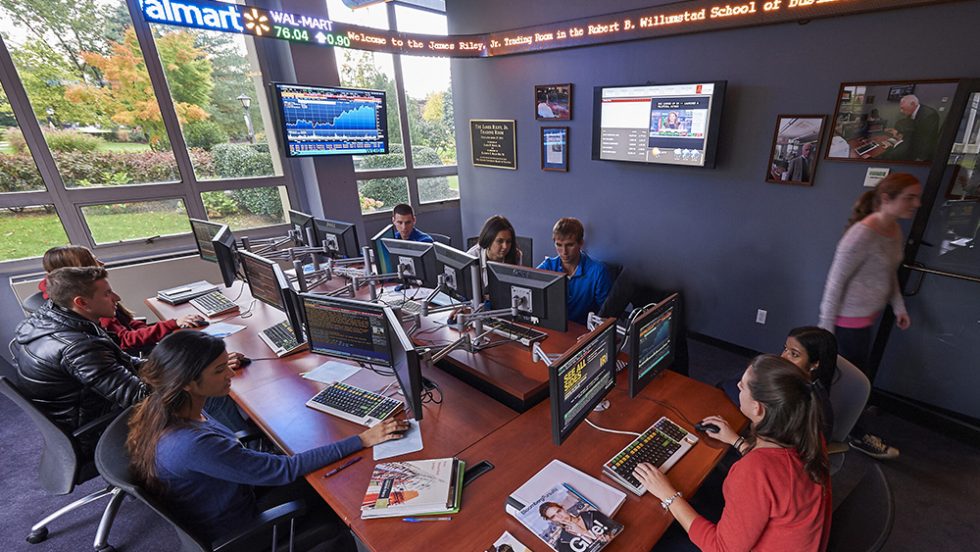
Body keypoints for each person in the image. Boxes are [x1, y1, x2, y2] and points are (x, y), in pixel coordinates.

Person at [127, 331, 410, 545]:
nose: (229, 374)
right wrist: (363, 439)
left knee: (326, 467)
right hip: (241, 528)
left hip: (232, 494)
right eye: (218, 370)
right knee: (347, 494)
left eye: (226, 363)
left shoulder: (171, 408)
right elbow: (283, 470)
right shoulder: (190, 444)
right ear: (187, 382)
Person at [634, 355, 831, 552]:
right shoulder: (810, 436)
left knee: (651, 539)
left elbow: (721, 549)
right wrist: (737, 441)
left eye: (743, 386)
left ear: (757, 408)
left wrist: (667, 494)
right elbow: (778, 473)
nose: (737, 385)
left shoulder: (754, 471)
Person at [819, 173, 922, 459]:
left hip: (866, 321)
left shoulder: (893, 231)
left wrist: (898, 307)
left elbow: (888, 275)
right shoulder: (861, 234)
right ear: (887, 199)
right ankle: (856, 434)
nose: (917, 203)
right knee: (850, 384)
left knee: (854, 380)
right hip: (845, 325)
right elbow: (834, 284)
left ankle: (847, 424)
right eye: (910, 197)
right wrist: (825, 333)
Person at [38, 245, 203, 356]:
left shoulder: (75, 296)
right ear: (82, 267)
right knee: (201, 352)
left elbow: (127, 324)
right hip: (137, 357)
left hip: (138, 352)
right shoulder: (90, 308)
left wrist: (156, 329)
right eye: (95, 260)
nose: (102, 263)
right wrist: (171, 324)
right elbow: (125, 340)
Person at [720, 326, 836, 438]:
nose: (783, 357)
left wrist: (736, 441)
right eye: (785, 349)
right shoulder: (790, 380)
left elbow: (777, 450)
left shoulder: (805, 404)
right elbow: (728, 384)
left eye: (794, 354)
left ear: (814, 364)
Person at [537, 218, 612, 325]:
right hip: (554, 327)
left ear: (581, 243)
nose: (564, 252)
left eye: (570, 245)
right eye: (559, 245)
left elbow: (605, 316)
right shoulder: (547, 266)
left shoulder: (598, 271)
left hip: (583, 331)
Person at [467, 215, 523, 285]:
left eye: (508, 241)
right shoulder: (472, 257)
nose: (505, 246)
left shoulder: (516, 255)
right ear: (488, 240)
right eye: (500, 241)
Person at [539, 502, 618, 547]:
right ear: (551, 520)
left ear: (563, 509)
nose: (560, 516)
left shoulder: (591, 515)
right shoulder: (563, 542)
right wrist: (583, 533)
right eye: (554, 516)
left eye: (559, 511)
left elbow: (617, 530)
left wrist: (583, 531)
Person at [897, 94, 940, 161]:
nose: (901, 111)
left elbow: (928, 140)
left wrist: (921, 158)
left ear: (913, 104)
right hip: (911, 150)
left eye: (903, 108)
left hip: (922, 155)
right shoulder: (910, 113)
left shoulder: (929, 115)